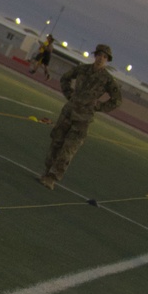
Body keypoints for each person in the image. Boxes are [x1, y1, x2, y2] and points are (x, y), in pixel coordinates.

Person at [38, 43, 121, 189]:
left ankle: (52, 177)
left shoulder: (107, 79)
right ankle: (46, 171)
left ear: (107, 60)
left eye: (104, 57)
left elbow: (117, 100)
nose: (101, 58)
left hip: (83, 119)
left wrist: (99, 106)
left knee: (68, 149)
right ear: (95, 55)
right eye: (99, 55)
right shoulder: (83, 69)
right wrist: (70, 95)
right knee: (56, 142)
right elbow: (65, 78)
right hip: (68, 112)